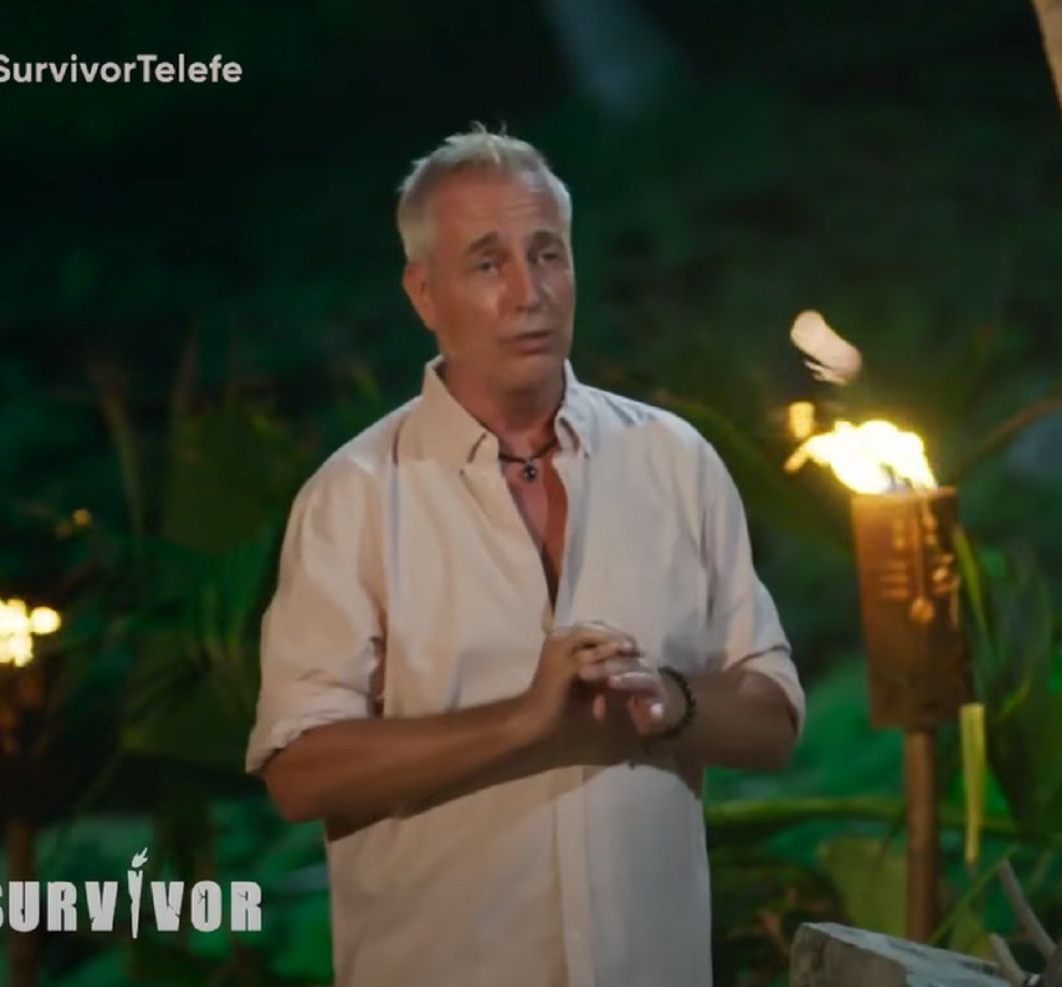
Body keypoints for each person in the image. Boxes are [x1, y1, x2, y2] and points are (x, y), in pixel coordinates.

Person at [245, 126, 807, 987]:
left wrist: (669, 699)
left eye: (548, 254)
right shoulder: (353, 496)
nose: (529, 291)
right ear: (423, 292)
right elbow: (299, 770)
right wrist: (522, 721)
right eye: (487, 262)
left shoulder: (671, 459)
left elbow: (772, 717)